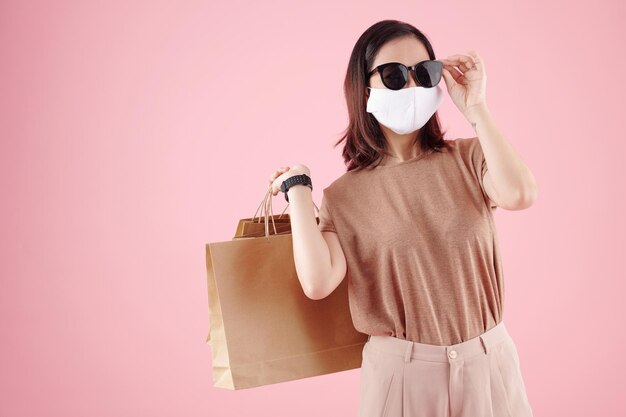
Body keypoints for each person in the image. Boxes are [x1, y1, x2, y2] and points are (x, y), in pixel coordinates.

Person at [269, 19, 537, 417]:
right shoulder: (345, 197)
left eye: (424, 73)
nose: (412, 86)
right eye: (394, 75)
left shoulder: (469, 158)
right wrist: (299, 189)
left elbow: (520, 193)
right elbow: (318, 281)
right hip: (401, 376)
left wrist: (477, 110)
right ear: (365, 90)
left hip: (489, 363)